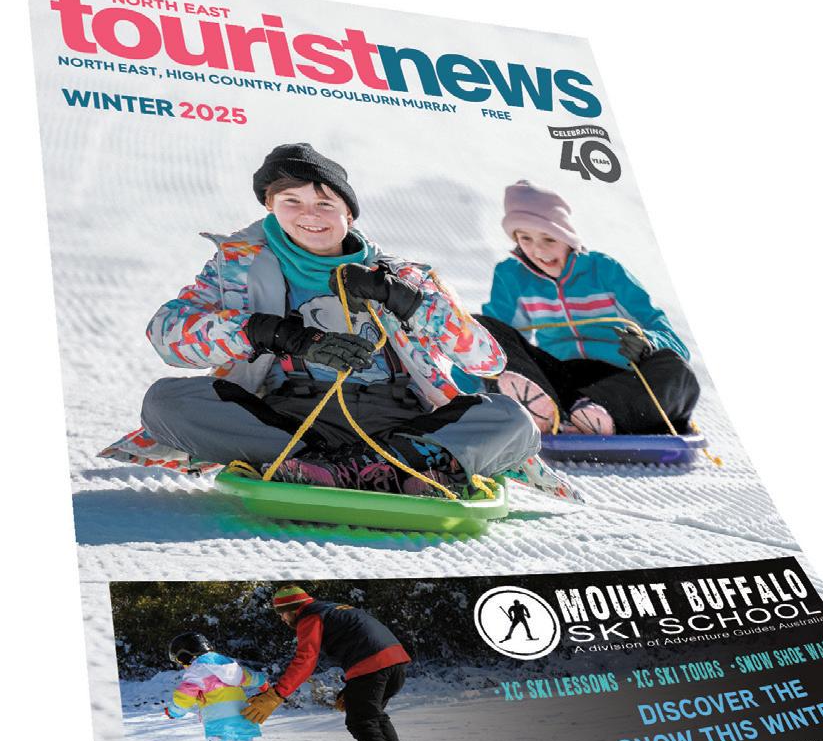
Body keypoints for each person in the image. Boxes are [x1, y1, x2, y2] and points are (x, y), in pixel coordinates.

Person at [100, 144, 546, 496]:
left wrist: (405, 300)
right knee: (165, 400)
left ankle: (373, 464)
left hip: (400, 422)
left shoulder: (403, 276)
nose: (309, 215)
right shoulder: (238, 268)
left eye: (325, 203)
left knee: (511, 418)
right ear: (271, 206)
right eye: (291, 201)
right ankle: (364, 469)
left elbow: (486, 360)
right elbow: (167, 333)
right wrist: (269, 332)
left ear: (348, 213)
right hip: (291, 421)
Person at [478, 180, 700, 436]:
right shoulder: (512, 276)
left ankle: (598, 415)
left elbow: (673, 342)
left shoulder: (605, 271)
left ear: (567, 237)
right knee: (485, 331)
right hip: (558, 383)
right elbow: (490, 349)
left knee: (679, 372)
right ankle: (542, 411)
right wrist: (458, 397)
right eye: (525, 238)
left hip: (621, 384)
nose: (538, 250)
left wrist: (647, 344)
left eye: (549, 238)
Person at [242, 586, 415, 741]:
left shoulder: (309, 617)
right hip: (395, 662)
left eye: (282, 613)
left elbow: (306, 660)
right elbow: (361, 640)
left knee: (363, 723)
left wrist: (277, 694)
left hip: (373, 666)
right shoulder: (330, 609)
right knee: (375, 719)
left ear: (292, 609)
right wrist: (352, 687)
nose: (282, 619)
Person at [165, 632, 272, 741]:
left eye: (180, 661)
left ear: (185, 656)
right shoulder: (228, 665)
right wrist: (263, 683)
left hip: (220, 729)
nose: (183, 666)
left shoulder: (197, 670)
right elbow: (250, 677)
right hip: (244, 724)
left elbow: (185, 696)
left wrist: (174, 711)